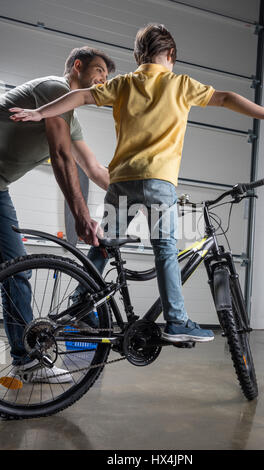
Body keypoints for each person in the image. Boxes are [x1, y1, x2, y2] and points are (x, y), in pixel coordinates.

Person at [10, 24, 264, 344]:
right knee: (164, 250)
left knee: (106, 245)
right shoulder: (180, 84)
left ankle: (82, 296)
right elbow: (227, 97)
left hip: (121, 184)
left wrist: (39, 112)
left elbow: (79, 96)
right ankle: (176, 320)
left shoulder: (124, 84)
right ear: (171, 55)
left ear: (138, 56)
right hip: (158, 183)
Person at [0, 46, 115, 384]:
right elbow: (62, 156)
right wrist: (81, 215)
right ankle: (27, 359)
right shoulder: (55, 89)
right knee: (16, 270)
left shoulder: (71, 120)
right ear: (77, 67)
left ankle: (26, 361)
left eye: (106, 79)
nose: (101, 82)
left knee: (16, 271)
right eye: (98, 73)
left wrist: (142, 187)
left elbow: (95, 170)